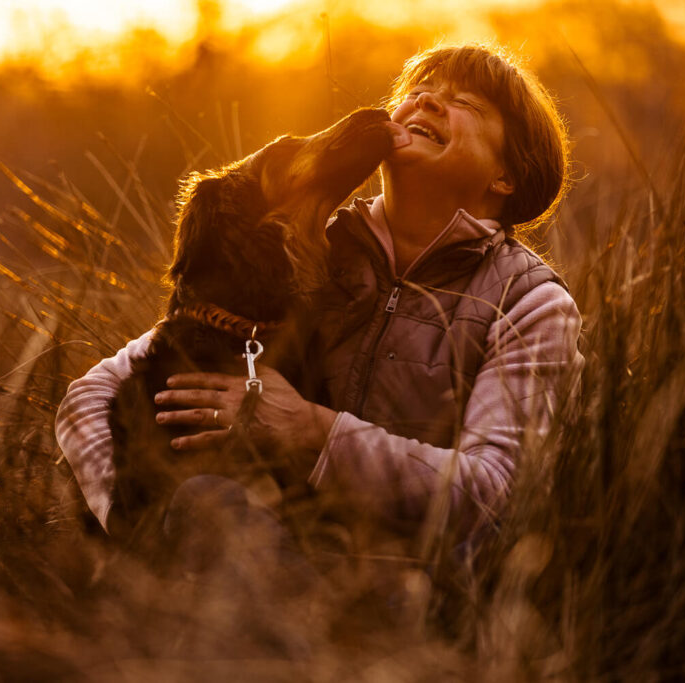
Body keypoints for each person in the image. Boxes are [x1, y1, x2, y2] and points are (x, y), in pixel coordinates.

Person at [55, 44, 584, 554]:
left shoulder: (529, 303)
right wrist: (128, 520)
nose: (426, 100)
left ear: (507, 175)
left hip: (411, 589)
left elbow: (495, 495)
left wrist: (311, 431)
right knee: (209, 506)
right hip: (256, 553)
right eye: (418, 91)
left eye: (465, 102)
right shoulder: (292, 253)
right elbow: (87, 399)